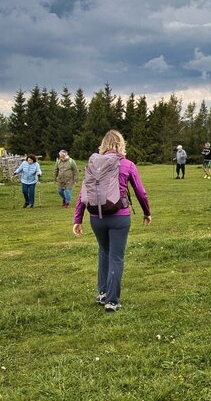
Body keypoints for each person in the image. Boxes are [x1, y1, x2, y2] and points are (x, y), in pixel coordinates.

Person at [73, 130, 152, 312]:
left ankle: (102, 293)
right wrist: (147, 212)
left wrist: (78, 219)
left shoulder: (93, 164)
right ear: (121, 145)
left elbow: (82, 193)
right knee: (116, 257)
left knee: (104, 251)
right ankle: (112, 301)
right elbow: (141, 192)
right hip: (119, 217)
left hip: (96, 217)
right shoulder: (128, 164)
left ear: (103, 145)